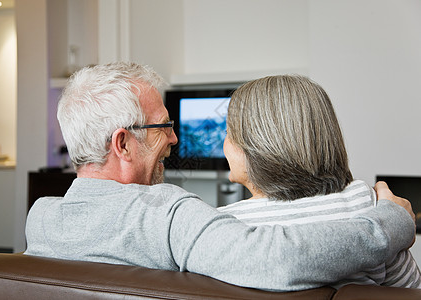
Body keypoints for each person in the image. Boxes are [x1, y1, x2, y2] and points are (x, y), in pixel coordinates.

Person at [24, 62, 415, 291]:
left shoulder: (40, 222)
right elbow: (277, 260)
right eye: (163, 126)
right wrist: (393, 219)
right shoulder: (169, 216)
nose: (176, 138)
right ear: (123, 144)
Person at [218, 74, 420, 289]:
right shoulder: (366, 203)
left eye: (229, 133)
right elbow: (410, 289)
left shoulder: (223, 225)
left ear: (257, 146)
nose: (225, 143)